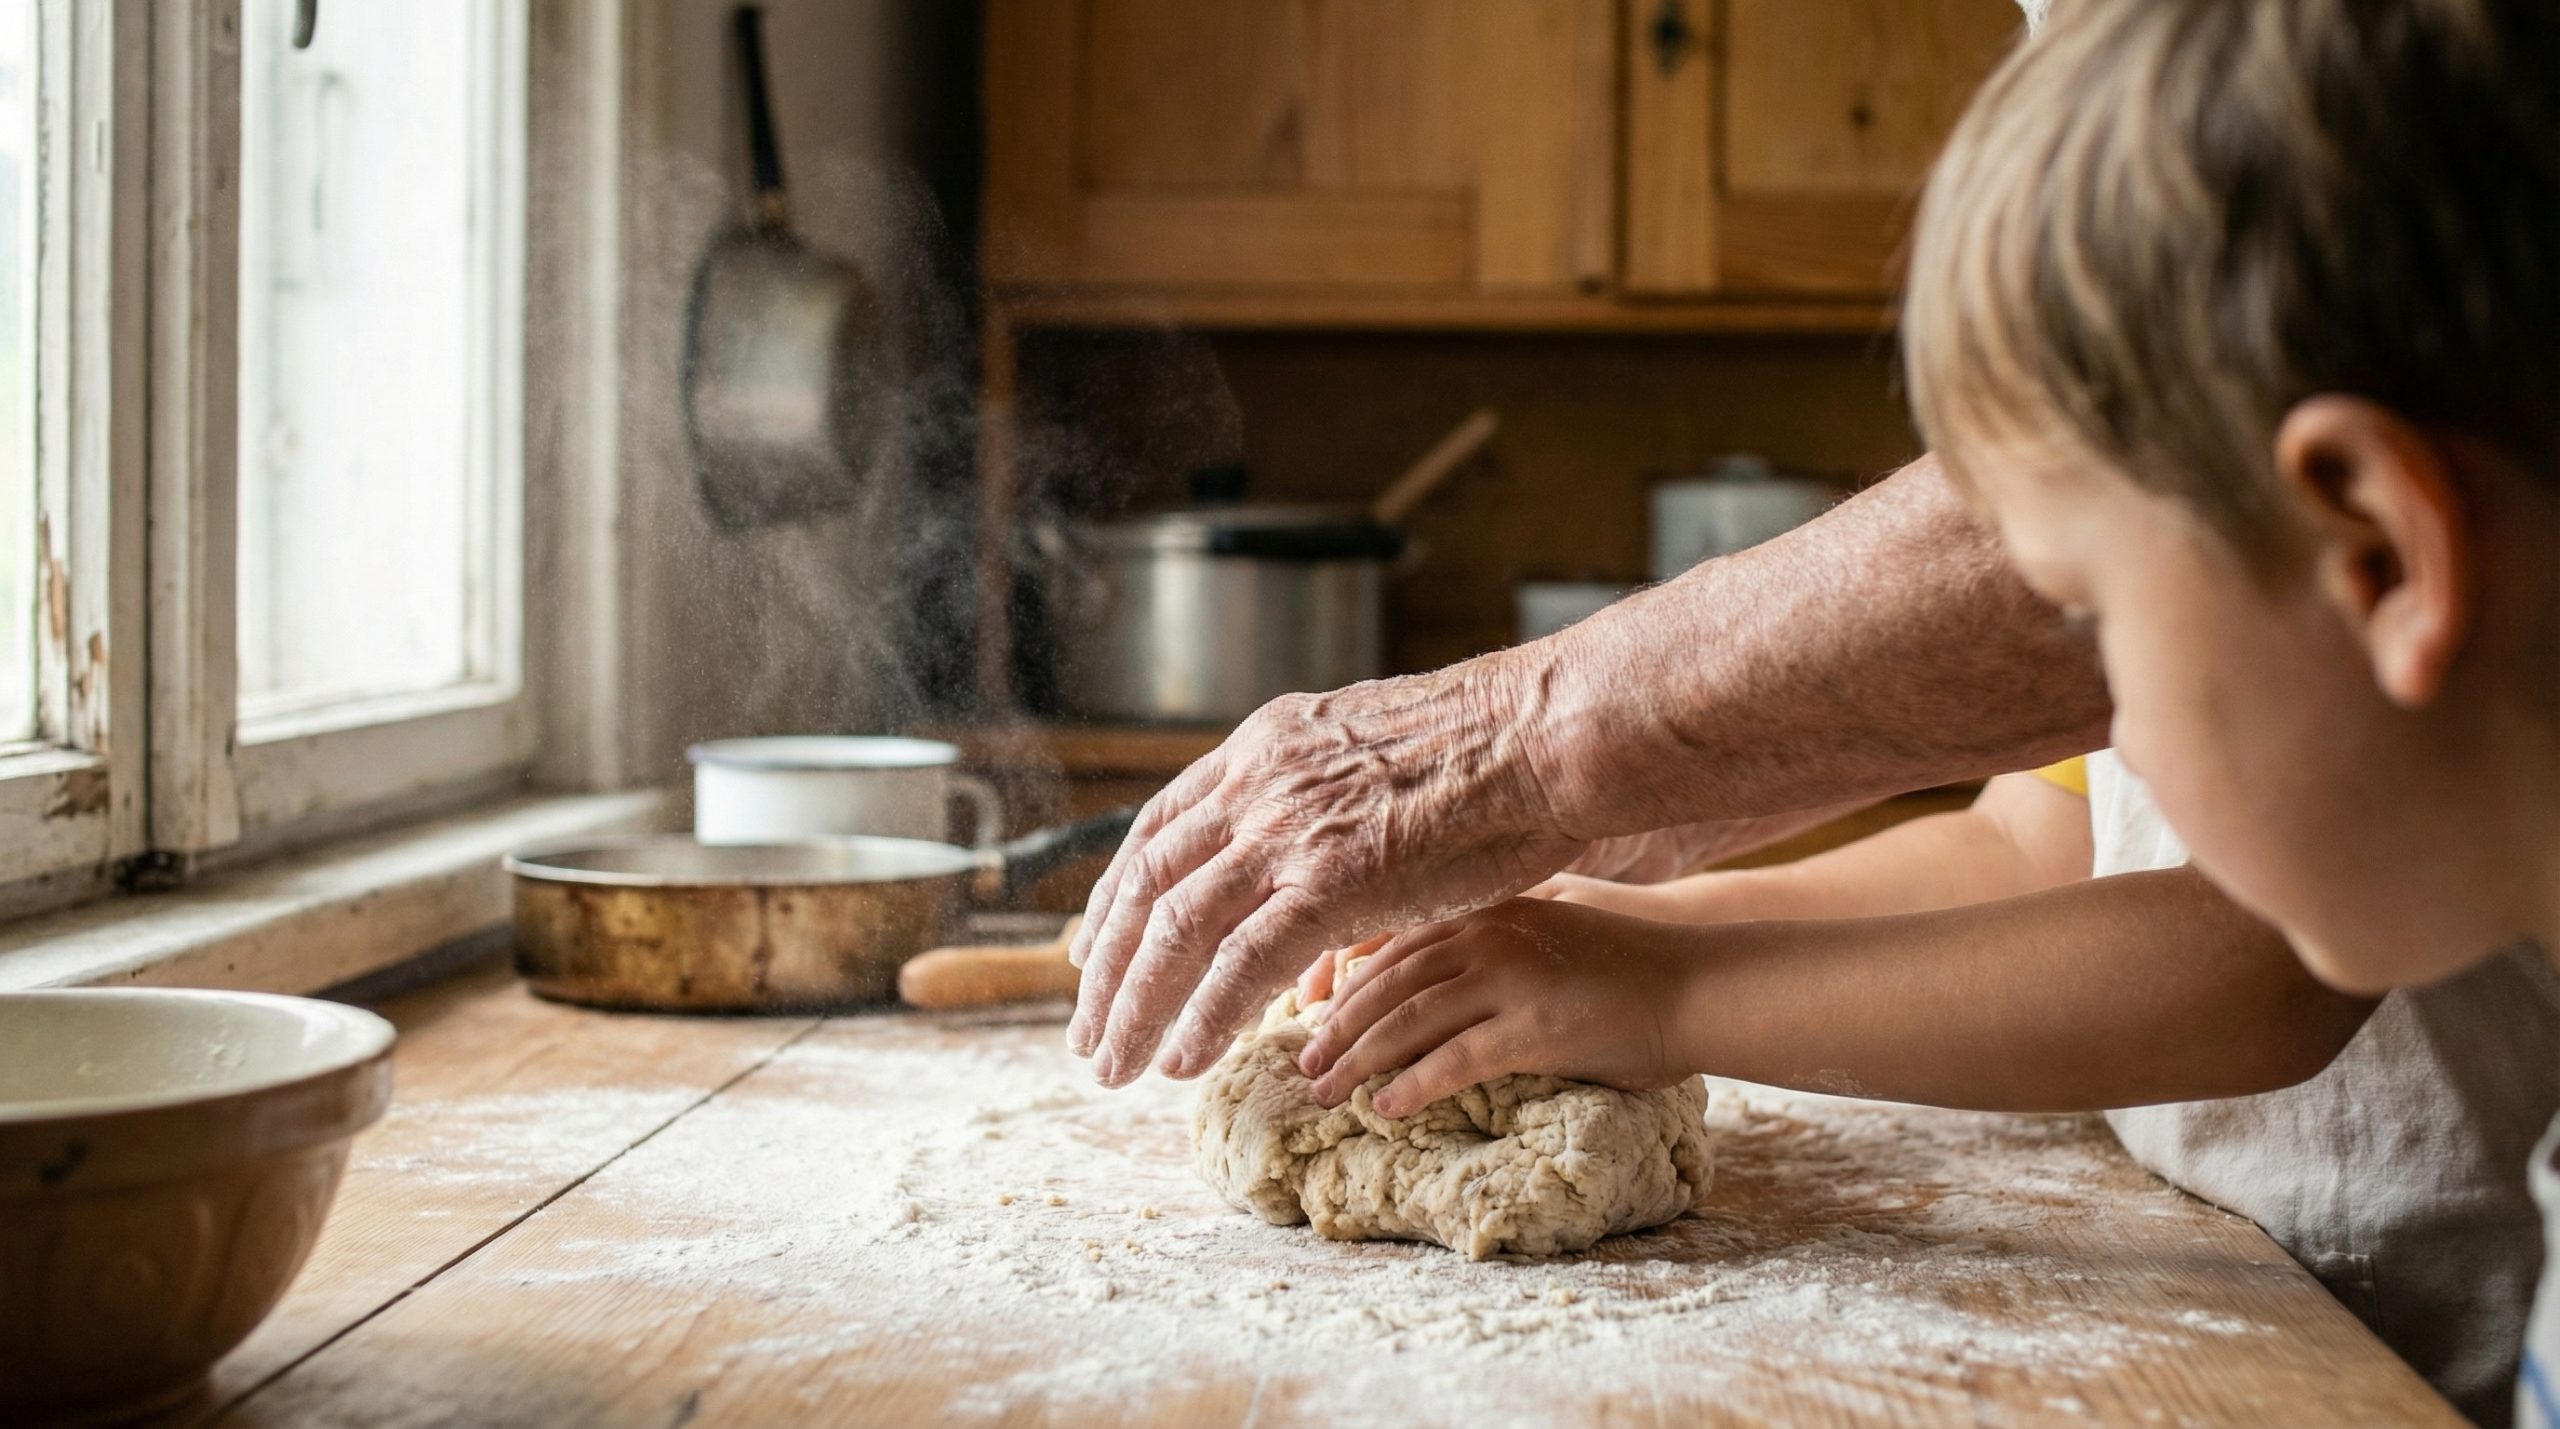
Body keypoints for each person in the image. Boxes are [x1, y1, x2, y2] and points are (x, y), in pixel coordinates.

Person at [1293, 0, 2560, 1419]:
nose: (2074, 703)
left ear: (2379, 555)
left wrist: (1664, 983)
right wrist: (1617, 943)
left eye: (2092, 631)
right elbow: (2046, 833)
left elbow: (2267, 960)